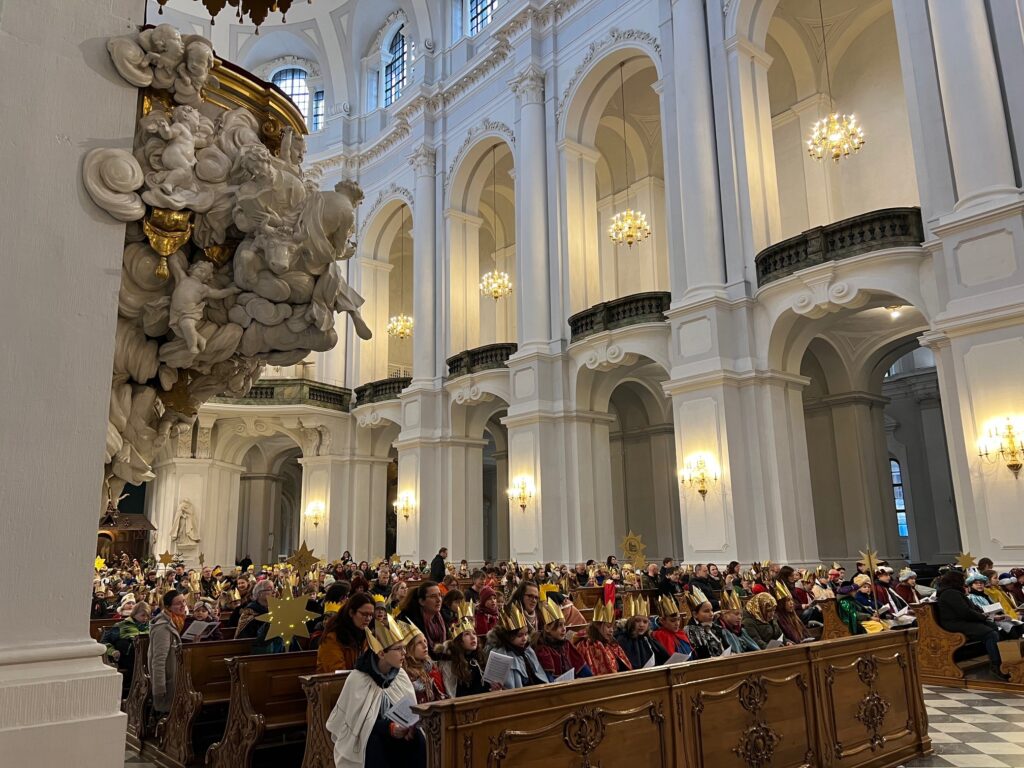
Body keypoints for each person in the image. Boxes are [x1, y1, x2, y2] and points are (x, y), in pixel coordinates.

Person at [325, 614, 425, 768]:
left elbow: (410, 711)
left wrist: (410, 727)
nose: (404, 653)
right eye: (398, 649)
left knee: (418, 738)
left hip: (399, 734)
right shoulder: (358, 679)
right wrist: (389, 728)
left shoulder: (401, 676)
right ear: (381, 653)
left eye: (404, 648)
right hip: (371, 739)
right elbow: (357, 725)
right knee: (374, 743)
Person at [935, 570, 1009, 681]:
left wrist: (986, 615)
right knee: (990, 633)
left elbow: (973, 608)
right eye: (962, 579)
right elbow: (965, 612)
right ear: (956, 580)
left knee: (994, 627)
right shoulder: (949, 593)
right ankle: (995, 666)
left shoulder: (955, 591)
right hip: (954, 624)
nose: (964, 581)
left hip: (962, 621)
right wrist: (982, 617)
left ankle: (1003, 661)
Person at [484, 604, 549, 689]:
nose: (524, 639)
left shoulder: (527, 650)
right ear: (509, 636)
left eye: (526, 634)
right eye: (520, 635)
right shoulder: (500, 654)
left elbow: (538, 675)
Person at [533, 598, 592, 679]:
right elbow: (548, 681)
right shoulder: (543, 650)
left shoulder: (567, 644)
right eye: (559, 625)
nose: (564, 629)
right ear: (547, 628)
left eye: (564, 624)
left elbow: (585, 671)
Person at [317, 593, 375, 673]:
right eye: (364, 614)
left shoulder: (365, 634)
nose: (368, 619)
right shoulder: (332, 638)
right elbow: (337, 673)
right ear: (351, 613)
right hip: (334, 683)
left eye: (371, 615)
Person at [149, 589, 186, 714]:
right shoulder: (162, 627)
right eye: (178, 603)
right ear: (169, 607)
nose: (183, 606)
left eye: (184, 602)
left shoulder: (178, 621)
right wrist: (159, 688)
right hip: (168, 682)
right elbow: (158, 660)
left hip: (176, 676)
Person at [434, 618, 492, 697]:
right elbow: (453, 695)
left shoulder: (479, 658)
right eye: (467, 634)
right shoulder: (451, 663)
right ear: (459, 641)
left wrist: (493, 688)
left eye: (474, 633)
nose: (473, 637)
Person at [577, 601, 632, 675]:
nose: (611, 630)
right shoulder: (586, 645)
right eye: (608, 627)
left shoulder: (612, 643)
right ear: (597, 626)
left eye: (612, 627)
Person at [614, 595, 669, 669]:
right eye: (637, 621)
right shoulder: (622, 639)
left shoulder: (648, 639)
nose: (641, 625)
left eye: (645, 622)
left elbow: (663, 657)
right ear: (631, 622)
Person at [236, 580, 284, 654]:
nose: (274, 592)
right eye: (270, 589)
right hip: (254, 651)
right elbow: (247, 638)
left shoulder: (275, 609)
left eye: (274, 589)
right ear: (259, 593)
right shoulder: (250, 612)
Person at [402, 624, 446, 704]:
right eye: (419, 643)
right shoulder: (407, 675)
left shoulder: (432, 668)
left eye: (425, 641)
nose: (425, 645)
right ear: (408, 650)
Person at [398, 581, 446, 651]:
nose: (438, 600)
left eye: (440, 595)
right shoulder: (409, 620)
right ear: (422, 601)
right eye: (433, 596)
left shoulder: (441, 615)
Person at [685, 588, 726, 660]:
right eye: (706, 611)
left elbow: (726, 646)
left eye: (712, 610)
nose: (711, 614)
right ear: (695, 614)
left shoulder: (716, 627)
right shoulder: (690, 631)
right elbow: (701, 656)